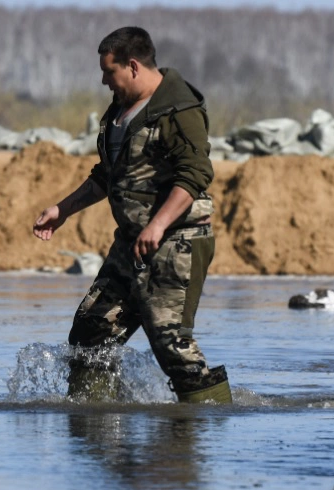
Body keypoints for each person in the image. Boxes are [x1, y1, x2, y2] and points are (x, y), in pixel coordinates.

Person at [32, 26, 231, 403]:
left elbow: (195, 175)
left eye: (110, 71)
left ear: (134, 66)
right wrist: (62, 210)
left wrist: (157, 225)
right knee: (90, 333)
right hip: (131, 244)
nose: (104, 81)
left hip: (176, 241)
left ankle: (206, 419)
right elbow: (107, 175)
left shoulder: (178, 109)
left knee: (172, 345)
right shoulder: (120, 112)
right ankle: (94, 418)